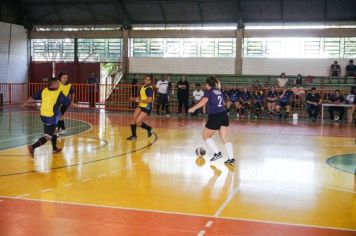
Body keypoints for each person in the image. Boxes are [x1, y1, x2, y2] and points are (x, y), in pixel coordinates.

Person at [188, 77, 235, 165]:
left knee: (205, 136)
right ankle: (231, 158)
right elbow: (219, 85)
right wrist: (217, 79)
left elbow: (203, 101)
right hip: (224, 115)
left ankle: (217, 153)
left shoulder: (209, 92)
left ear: (208, 84)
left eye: (206, 84)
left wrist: (193, 108)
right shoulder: (218, 91)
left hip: (215, 116)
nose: (205, 85)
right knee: (225, 137)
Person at [22, 77, 71, 158]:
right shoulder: (58, 93)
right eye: (58, 83)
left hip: (43, 115)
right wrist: (68, 97)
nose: (59, 84)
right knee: (48, 137)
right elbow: (67, 102)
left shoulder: (44, 90)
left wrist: (26, 103)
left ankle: (54, 148)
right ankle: (32, 147)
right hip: (51, 117)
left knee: (54, 131)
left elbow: (33, 97)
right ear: (54, 84)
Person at [127, 75, 154, 140]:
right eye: (146, 79)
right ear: (144, 80)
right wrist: (134, 99)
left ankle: (149, 128)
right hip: (141, 105)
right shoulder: (143, 87)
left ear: (150, 81)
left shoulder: (149, 89)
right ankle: (134, 136)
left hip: (147, 106)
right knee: (133, 120)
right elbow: (141, 96)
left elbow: (150, 100)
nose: (147, 81)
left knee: (137, 122)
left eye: (149, 79)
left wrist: (140, 100)